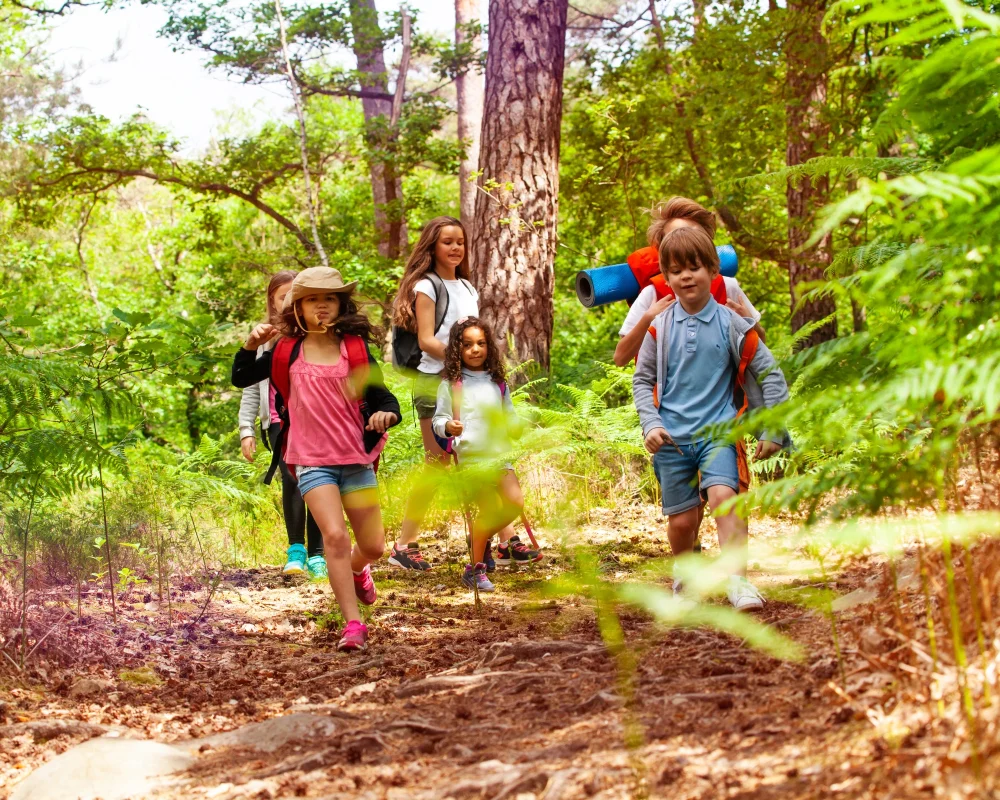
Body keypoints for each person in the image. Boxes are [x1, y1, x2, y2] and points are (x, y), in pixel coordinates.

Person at [232, 267, 401, 651]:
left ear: (341, 305)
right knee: (336, 538)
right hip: (310, 461)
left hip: (355, 460)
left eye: (329, 298)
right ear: (298, 308)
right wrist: (248, 344)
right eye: (311, 299)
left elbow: (384, 399)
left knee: (373, 546)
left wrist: (385, 414)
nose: (321, 306)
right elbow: (241, 377)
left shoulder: (355, 349)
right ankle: (353, 625)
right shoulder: (285, 351)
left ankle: (360, 570)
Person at [632, 227, 790, 610]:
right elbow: (642, 379)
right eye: (677, 270)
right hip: (672, 438)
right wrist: (651, 424)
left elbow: (771, 375)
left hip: (720, 431)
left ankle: (739, 581)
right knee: (683, 522)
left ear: (713, 271)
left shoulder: (733, 323)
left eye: (695, 267)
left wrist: (772, 428)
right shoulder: (659, 326)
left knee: (725, 499)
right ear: (666, 279)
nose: (687, 276)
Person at [388, 217, 522, 571]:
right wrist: (456, 363)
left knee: (482, 458)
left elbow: (470, 335)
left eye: (460, 241)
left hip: (467, 382)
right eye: (447, 241)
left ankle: (506, 539)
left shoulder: (466, 286)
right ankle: (403, 544)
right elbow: (427, 339)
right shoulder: (426, 286)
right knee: (438, 463)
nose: (455, 248)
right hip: (436, 382)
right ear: (432, 246)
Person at [432, 317, 535, 593]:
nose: (475, 349)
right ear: (457, 349)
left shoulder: (498, 383)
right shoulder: (451, 385)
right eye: (467, 345)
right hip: (472, 459)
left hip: (500, 456)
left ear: (489, 346)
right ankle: (474, 569)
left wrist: (516, 426)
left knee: (514, 503)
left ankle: (482, 540)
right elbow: (438, 420)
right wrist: (448, 426)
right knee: (489, 510)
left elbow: (509, 415)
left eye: (481, 343)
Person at [238, 271, 326, 579]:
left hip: (316, 419)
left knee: (318, 480)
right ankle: (296, 551)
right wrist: (246, 429)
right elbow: (249, 386)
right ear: (272, 302)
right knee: (292, 478)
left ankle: (317, 554)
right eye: (282, 296)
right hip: (278, 420)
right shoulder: (264, 337)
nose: (289, 301)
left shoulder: (314, 332)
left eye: (294, 295)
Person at [614, 197, 766, 368]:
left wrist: (748, 323)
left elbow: (760, 346)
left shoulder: (727, 286)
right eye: (674, 238)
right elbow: (620, 358)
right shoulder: (653, 294)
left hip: (725, 393)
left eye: (694, 234)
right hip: (665, 394)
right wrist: (648, 318)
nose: (685, 243)